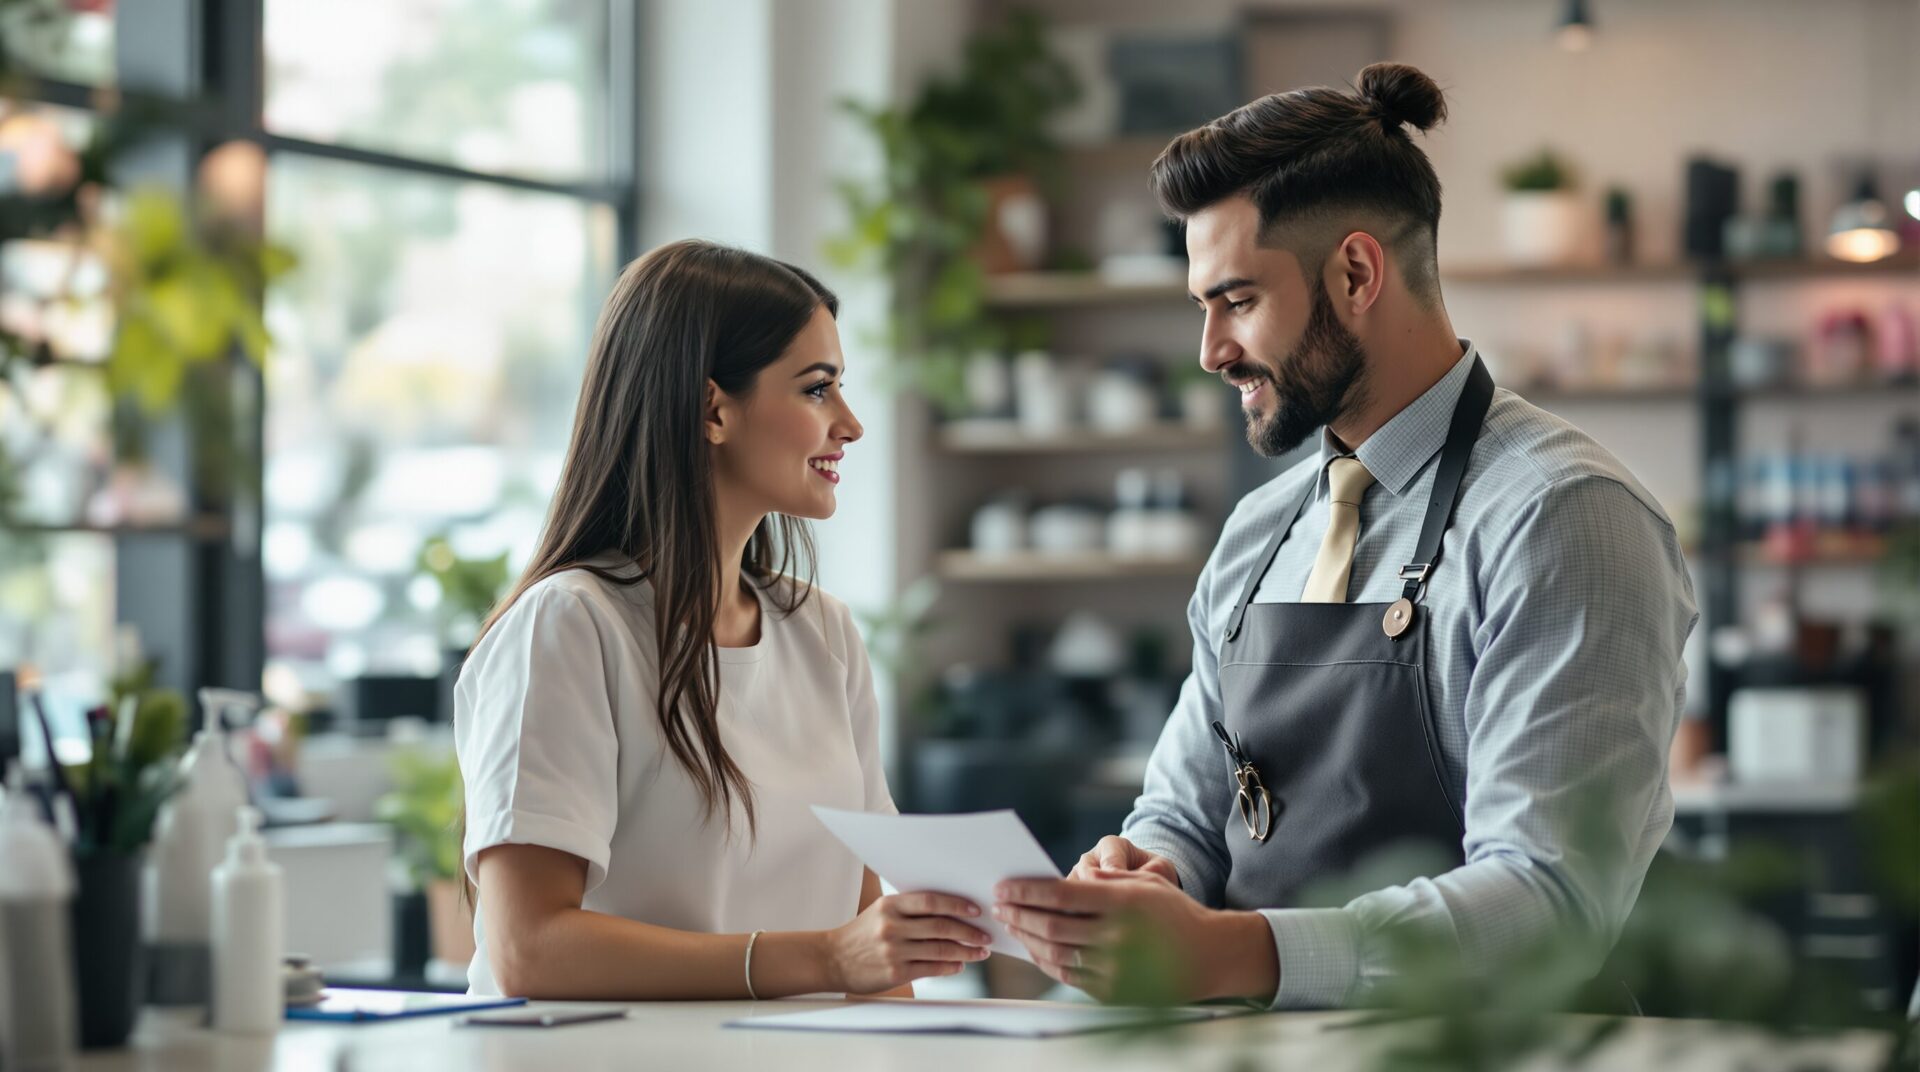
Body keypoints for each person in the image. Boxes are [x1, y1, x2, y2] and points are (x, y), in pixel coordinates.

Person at [994, 63, 1697, 1009]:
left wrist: (1234, 954)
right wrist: (1143, 879)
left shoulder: (1564, 518)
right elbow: (1187, 814)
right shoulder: (1255, 536)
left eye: (1236, 300)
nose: (1210, 353)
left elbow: (1549, 899)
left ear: (1357, 272)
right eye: (1200, 307)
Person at [455, 240, 991, 999]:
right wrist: (826, 960)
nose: (850, 424)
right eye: (817, 390)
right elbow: (528, 948)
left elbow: (868, 933)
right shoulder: (571, 626)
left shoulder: (823, 633)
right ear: (713, 410)